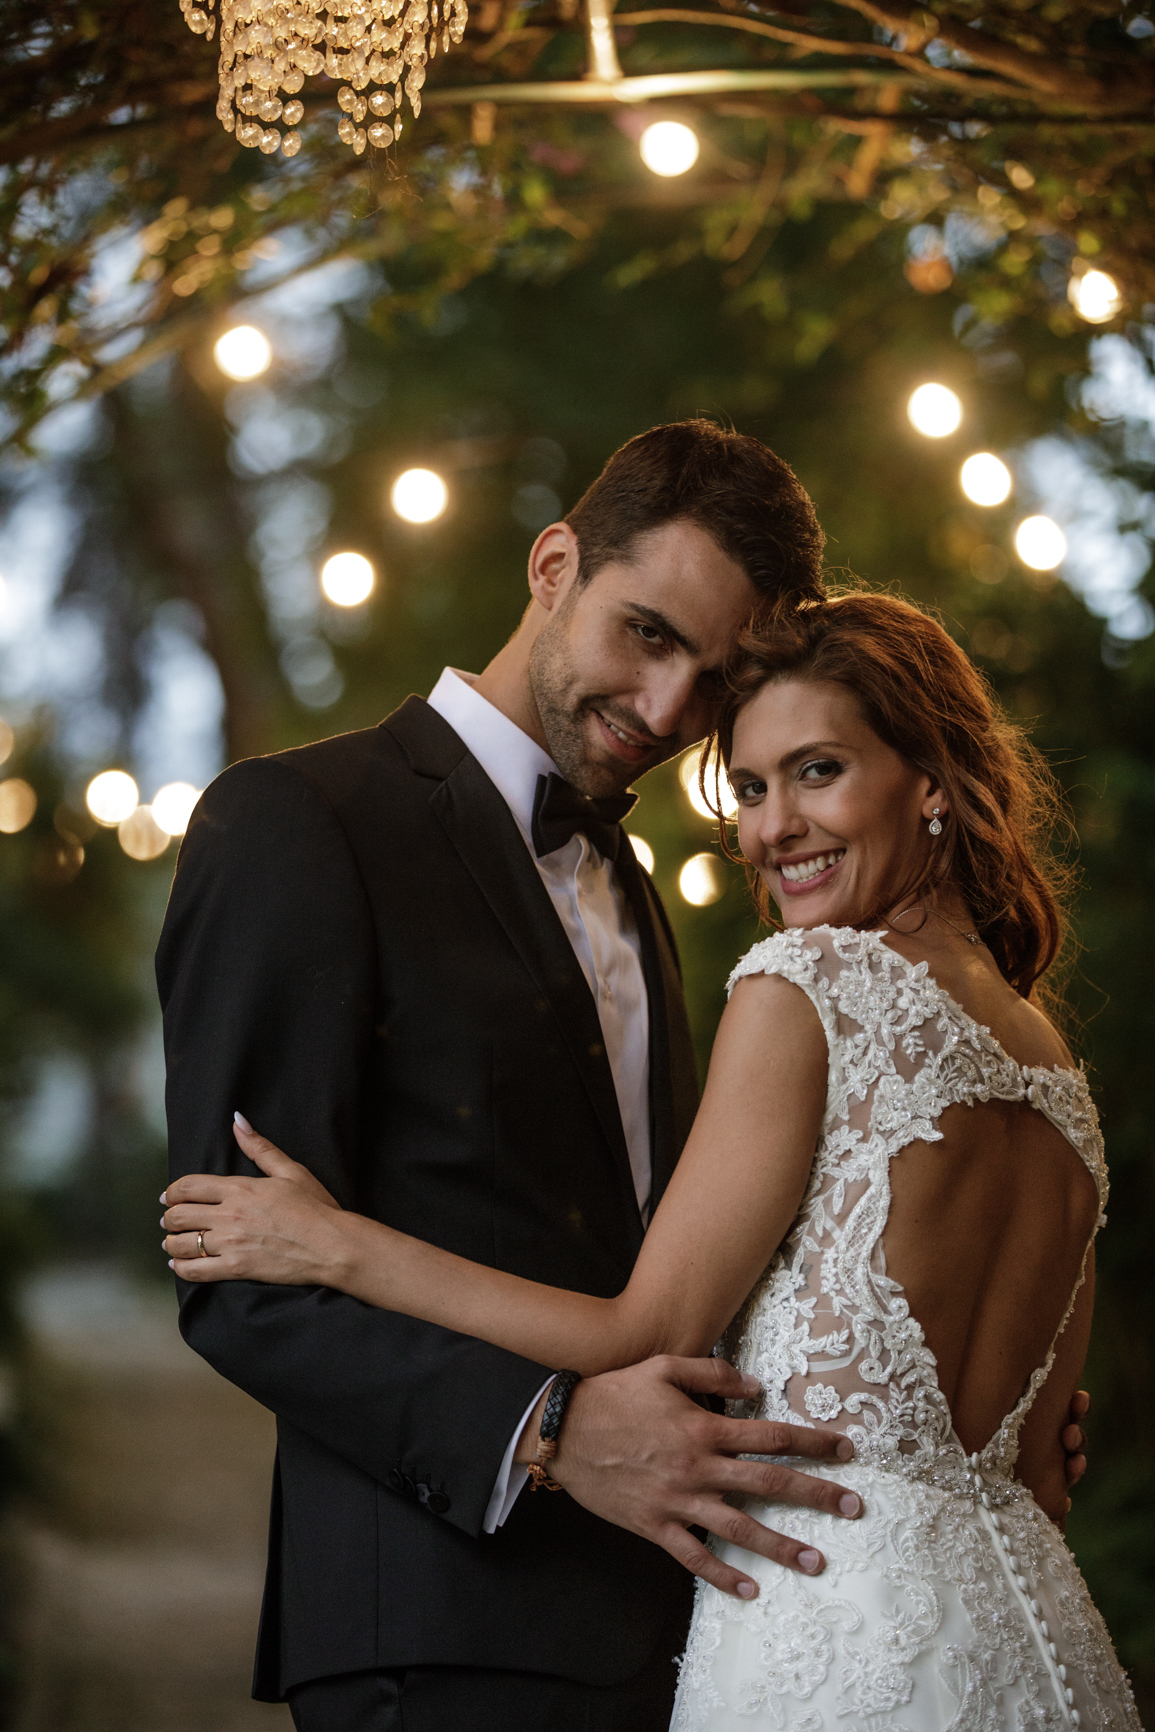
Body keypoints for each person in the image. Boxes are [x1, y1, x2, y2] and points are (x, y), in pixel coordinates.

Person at [163, 588, 1129, 1729]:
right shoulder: (1057, 1077)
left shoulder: (803, 987)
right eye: (754, 789)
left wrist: (339, 1244)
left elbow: (644, 1333)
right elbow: (1043, 1473)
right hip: (1026, 1648)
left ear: (930, 779)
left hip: (820, 1641)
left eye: (817, 770)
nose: (773, 831)